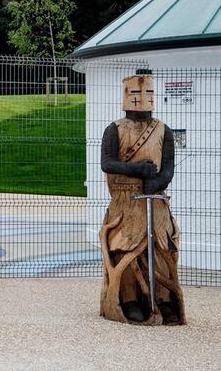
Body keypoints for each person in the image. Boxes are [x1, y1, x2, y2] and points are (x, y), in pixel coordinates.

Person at [99, 70, 184, 325]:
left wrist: (157, 181)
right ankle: (129, 299)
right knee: (123, 248)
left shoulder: (163, 130)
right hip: (125, 202)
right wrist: (136, 169)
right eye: (136, 93)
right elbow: (107, 163)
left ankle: (164, 299)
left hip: (155, 200)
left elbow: (168, 166)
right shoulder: (114, 129)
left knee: (163, 248)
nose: (142, 98)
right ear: (126, 96)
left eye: (148, 93)